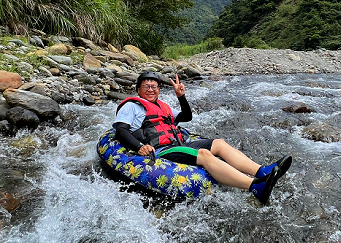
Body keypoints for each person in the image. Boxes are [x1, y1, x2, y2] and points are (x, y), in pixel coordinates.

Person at [113, 71, 292, 204]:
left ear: (159, 90)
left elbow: (186, 117)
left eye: (154, 86)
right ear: (138, 89)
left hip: (177, 143)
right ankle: (255, 186)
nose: (151, 89)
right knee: (205, 155)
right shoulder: (132, 107)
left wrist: (181, 97)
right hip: (161, 150)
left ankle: (262, 171)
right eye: (146, 86)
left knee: (219, 144)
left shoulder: (163, 106)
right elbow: (121, 130)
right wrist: (139, 147)